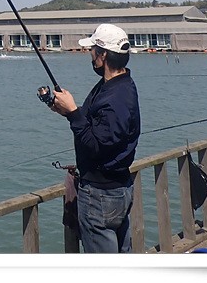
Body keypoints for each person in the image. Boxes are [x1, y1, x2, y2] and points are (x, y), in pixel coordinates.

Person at [48, 23, 140, 253]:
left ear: (103, 55)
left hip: (100, 195)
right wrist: (69, 112)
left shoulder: (115, 98)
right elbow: (100, 128)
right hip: (119, 188)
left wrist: (74, 114)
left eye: (92, 50)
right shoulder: (119, 85)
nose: (90, 54)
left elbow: (96, 146)